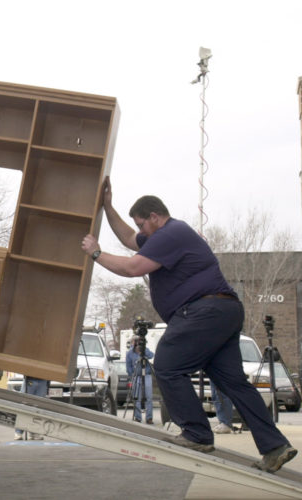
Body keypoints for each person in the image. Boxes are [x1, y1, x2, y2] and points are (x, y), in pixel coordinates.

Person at [80, 177, 296, 473]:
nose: (141, 232)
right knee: (232, 381)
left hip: (204, 311)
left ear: (155, 217)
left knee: (168, 365)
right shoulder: (163, 236)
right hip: (223, 311)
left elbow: (132, 268)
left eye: (143, 224)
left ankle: (196, 433)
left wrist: (95, 252)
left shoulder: (171, 233)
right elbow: (129, 238)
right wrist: (107, 206)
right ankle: (275, 447)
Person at [126, 335, 154, 424]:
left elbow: (151, 356)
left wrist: (143, 349)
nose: (138, 343)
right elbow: (128, 367)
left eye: (139, 341)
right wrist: (132, 376)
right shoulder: (130, 353)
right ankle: (138, 417)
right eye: (136, 341)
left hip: (147, 375)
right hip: (136, 376)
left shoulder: (145, 350)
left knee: (149, 397)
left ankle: (149, 418)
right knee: (136, 397)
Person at [14, 376, 50, 440]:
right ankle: (18, 432)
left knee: (38, 407)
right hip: (30, 378)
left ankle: (34, 432)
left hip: (43, 380)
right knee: (25, 405)